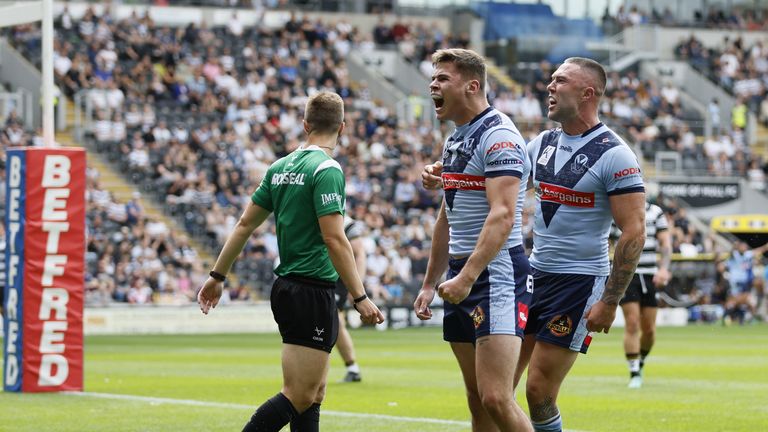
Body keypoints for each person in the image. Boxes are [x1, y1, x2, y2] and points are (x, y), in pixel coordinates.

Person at [423, 57, 646, 432]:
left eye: (561, 81)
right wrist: (445, 173)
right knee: (493, 395)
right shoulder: (542, 143)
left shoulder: (616, 155)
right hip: (532, 274)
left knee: (538, 391)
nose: (550, 87)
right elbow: (496, 175)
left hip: (578, 283)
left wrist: (610, 301)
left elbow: (634, 231)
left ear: (587, 93)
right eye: (551, 80)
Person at [197, 91, 384, 432]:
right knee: (299, 395)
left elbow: (244, 225)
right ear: (342, 127)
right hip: (311, 289)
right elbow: (334, 237)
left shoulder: (279, 167)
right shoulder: (327, 169)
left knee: (314, 394)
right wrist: (360, 296)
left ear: (304, 125)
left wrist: (217, 275)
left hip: (289, 287)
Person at [413, 48, 533, 432]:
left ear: (472, 85)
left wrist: (466, 277)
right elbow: (447, 215)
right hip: (460, 272)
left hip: (495, 274)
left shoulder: (499, 136)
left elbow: (503, 215)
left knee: (497, 397)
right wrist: (430, 281)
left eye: (442, 79)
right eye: (433, 78)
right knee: (478, 401)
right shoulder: (456, 139)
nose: (433, 84)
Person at [612, 200, 672, 389]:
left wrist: (664, 269)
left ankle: (641, 361)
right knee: (632, 323)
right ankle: (634, 371)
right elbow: (607, 241)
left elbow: (666, 244)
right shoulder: (617, 210)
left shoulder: (655, 212)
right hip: (627, 275)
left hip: (650, 275)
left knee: (649, 330)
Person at [334, 215, 367, 382]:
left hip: (337, 276)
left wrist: (356, 288)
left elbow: (359, 253)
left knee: (335, 320)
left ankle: (352, 368)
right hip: (317, 273)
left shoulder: (346, 222)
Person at [724, 240, 768, 324]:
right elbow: (731, 252)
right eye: (743, 246)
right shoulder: (735, 254)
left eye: (746, 247)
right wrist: (735, 246)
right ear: (739, 247)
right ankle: (726, 316)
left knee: (747, 300)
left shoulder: (747, 255)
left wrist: (765, 247)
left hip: (744, 283)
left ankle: (745, 318)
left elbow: (756, 251)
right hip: (734, 282)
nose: (745, 248)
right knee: (733, 300)